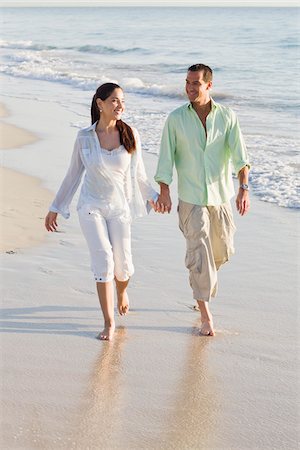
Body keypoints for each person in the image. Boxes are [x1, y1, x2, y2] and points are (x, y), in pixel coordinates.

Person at [45, 83, 158, 341]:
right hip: (90, 205)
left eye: (123, 101)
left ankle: (122, 291)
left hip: (120, 208)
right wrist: (55, 208)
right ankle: (109, 322)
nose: (120, 106)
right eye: (115, 101)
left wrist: (154, 197)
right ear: (100, 103)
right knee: (104, 260)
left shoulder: (130, 133)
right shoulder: (84, 137)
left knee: (123, 267)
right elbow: (73, 175)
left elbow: (139, 176)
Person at [154, 64, 250, 337]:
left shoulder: (228, 117)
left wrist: (244, 188)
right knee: (200, 254)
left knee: (221, 251)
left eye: (196, 83)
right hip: (191, 198)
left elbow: (241, 156)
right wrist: (164, 190)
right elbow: (165, 157)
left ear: (209, 85)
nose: (190, 88)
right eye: (187, 82)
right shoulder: (175, 119)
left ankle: (202, 285)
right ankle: (206, 314)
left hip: (220, 197)